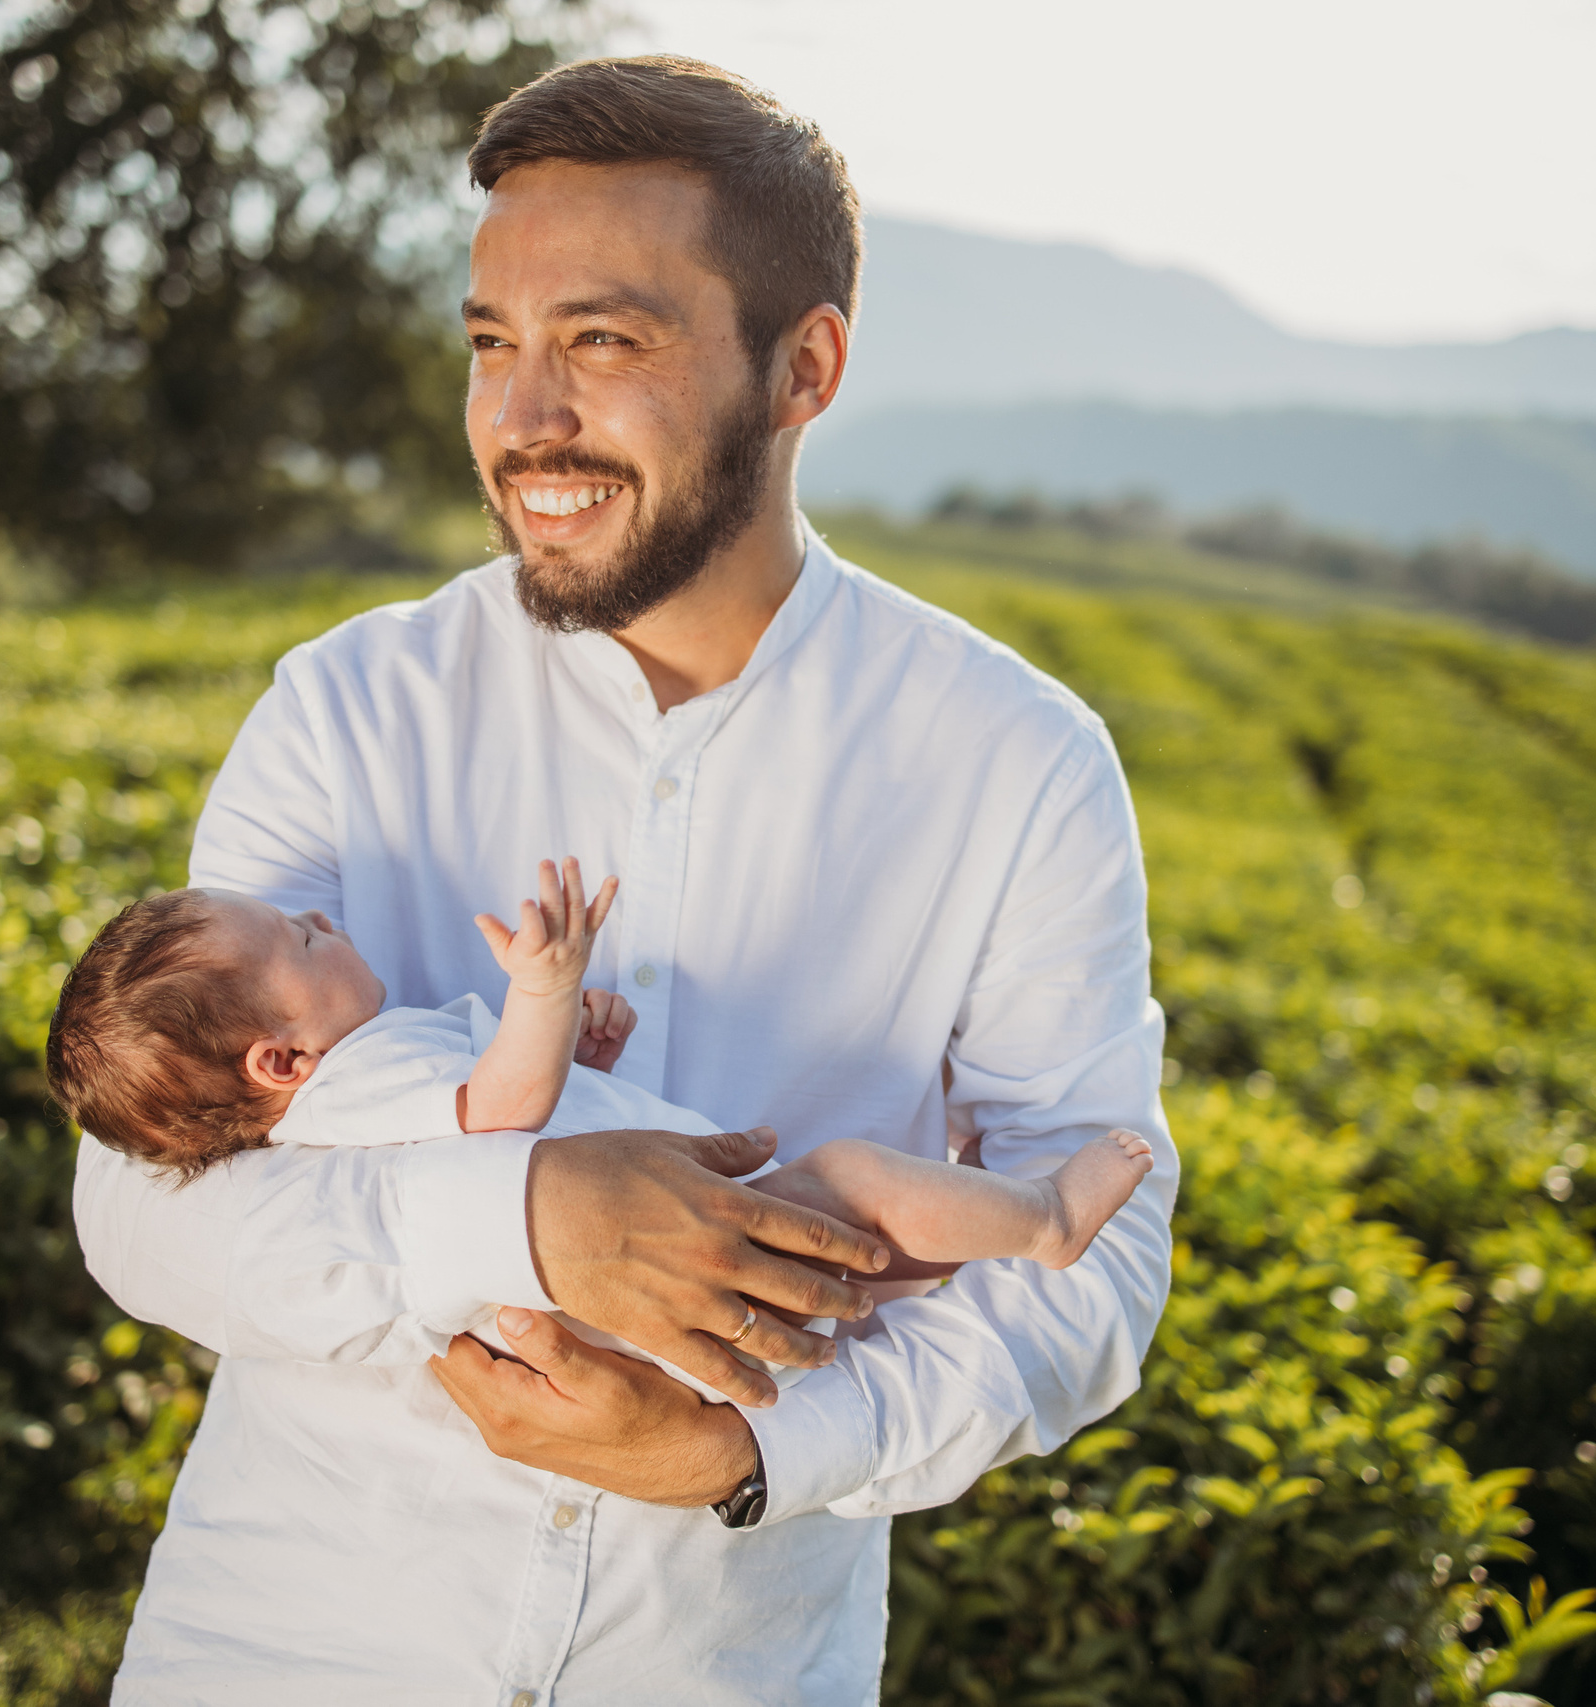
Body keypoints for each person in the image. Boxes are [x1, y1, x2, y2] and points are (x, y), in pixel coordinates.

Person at [71, 54, 1179, 1705]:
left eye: (600, 341)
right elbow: (145, 1201)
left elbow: (1096, 1244)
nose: (522, 421)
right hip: (289, 1645)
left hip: (728, 1662)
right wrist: (523, 1215)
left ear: (804, 367)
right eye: (492, 345)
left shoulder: (1018, 759)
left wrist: (747, 1441)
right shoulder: (348, 703)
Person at [44, 869, 1157, 1380]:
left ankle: (937, 1259)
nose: (322, 919)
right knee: (856, 1177)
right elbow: (500, 1114)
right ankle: (1045, 1217)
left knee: (857, 1241)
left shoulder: (340, 1090)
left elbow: (515, 1118)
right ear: (278, 1059)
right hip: (698, 1222)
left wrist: (583, 1052)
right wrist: (545, 990)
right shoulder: (359, 1075)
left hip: (655, 1254)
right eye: (298, 938)